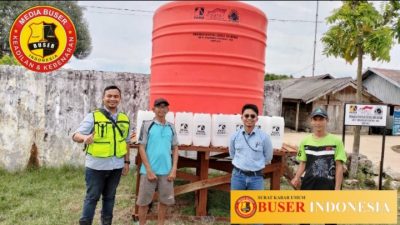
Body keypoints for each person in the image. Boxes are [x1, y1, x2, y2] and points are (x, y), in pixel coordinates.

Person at [72, 85, 131, 225]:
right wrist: (84, 138)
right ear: (103, 98)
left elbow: (126, 142)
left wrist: (127, 162)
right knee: (92, 198)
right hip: (96, 167)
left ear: (120, 99)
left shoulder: (124, 118)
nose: (112, 99)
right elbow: (75, 135)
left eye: (116, 96)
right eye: (109, 96)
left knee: (110, 197)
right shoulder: (93, 116)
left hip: (116, 166)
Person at [291, 107, 347, 225]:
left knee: (330, 220)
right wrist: (296, 177)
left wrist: (337, 189)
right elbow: (303, 163)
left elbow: (339, 166)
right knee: (305, 219)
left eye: (321, 119)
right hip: (309, 184)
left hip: (328, 185)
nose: (318, 123)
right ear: (311, 121)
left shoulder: (336, 142)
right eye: (315, 119)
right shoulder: (305, 142)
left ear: (327, 120)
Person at [136, 98, 179, 225]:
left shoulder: (171, 127)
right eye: (158, 106)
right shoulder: (147, 125)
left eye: (164, 106)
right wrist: (149, 170)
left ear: (168, 109)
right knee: (143, 202)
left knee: (164, 201)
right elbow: (141, 147)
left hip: (166, 171)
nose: (161, 109)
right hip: (148, 171)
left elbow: (175, 148)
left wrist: (174, 169)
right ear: (153, 109)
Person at [229, 104, 273, 191]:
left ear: (257, 119)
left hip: (256, 178)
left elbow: (268, 157)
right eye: (246, 115)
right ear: (242, 118)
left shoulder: (264, 137)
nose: (249, 118)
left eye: (252, 116)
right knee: (237, 204)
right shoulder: (235, 136)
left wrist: (256, 165)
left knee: (255, 204)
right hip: (238, 176)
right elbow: (232, 154)